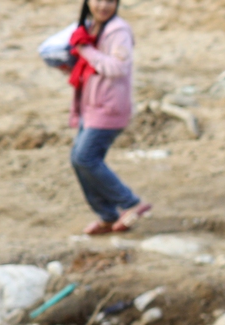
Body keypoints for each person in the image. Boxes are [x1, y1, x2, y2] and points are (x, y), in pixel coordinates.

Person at [62, 0, 143, 236]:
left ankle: (130, 203)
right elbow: (90, 65)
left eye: (110, 0)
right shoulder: (89, 28)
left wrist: (85, 50)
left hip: (109, 108)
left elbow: (118, 67)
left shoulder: (118, 30)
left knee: (85, 158)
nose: (103, 5)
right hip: (90, 105)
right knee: (81, 160)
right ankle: (107, 216)